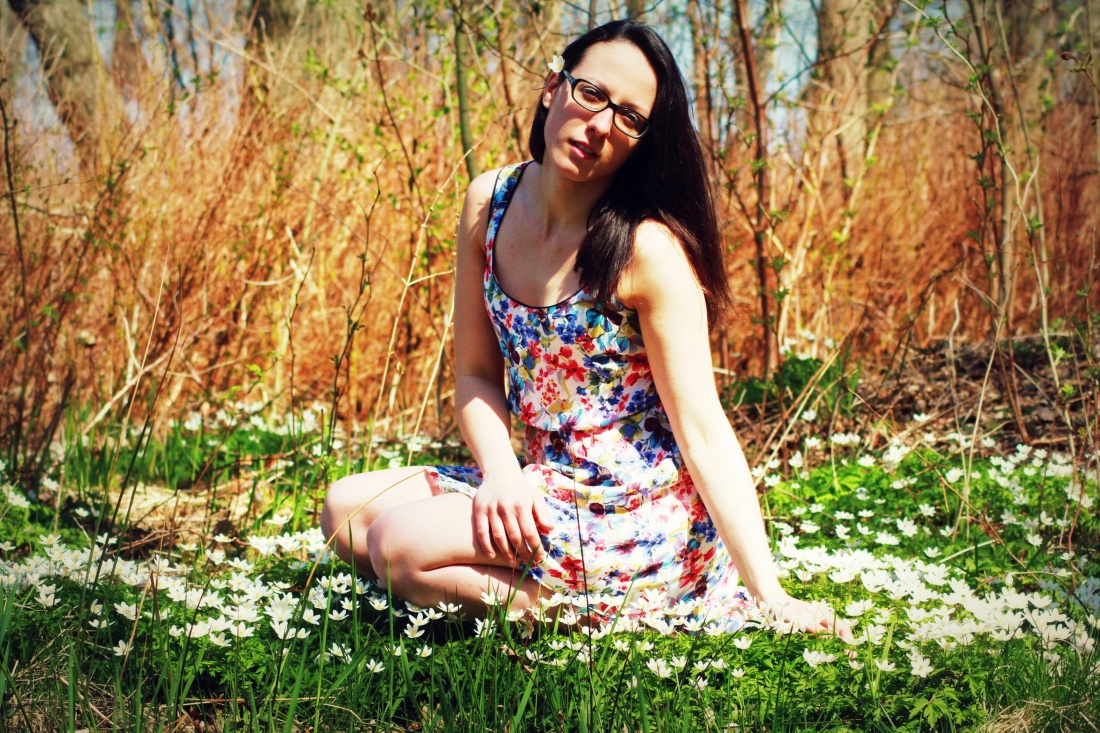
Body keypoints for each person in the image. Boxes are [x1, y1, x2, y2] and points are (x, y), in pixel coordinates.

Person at [321, 19, 852, 640]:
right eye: (592, 93)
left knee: (395, 545)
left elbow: (704, 431)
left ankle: (590, 612)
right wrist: (500, 474)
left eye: (629, 117)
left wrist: (771, 594)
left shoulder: (646, 251)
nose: (601, 124)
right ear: (553, 87)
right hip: (539, 479)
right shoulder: (488, 203)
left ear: (641, 143)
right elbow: (475, 375)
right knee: (345, 512)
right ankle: (531, 584)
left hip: (631, 508)